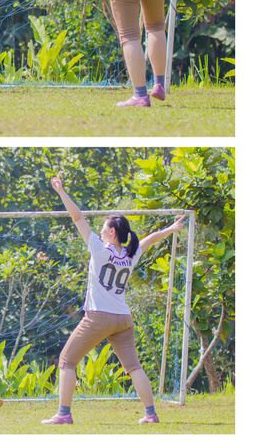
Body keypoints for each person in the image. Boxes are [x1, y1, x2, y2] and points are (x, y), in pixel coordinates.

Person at [42, 173, 185, 426]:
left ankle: (64, 414)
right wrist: (171, 229)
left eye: (103, 227)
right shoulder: (129, 255)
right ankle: (151, 414)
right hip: (123, 318)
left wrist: (61, 191)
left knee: (66, 361)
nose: (99, 229)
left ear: (111, 232)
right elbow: (150, 240)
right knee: (134, 367)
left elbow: (77, 217)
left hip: (99, 316)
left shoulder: (98, 248)